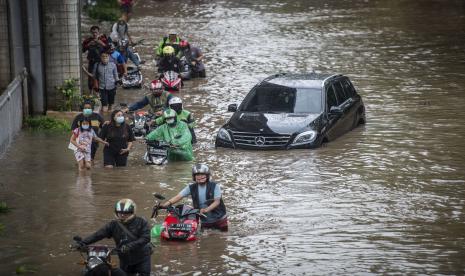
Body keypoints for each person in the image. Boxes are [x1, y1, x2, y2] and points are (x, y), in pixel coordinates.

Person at [80, 199, 151, 276]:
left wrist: (129, 246)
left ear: (132, 212)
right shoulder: (113, 224)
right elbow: (98, 234)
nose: (122, 215)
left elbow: (146, 238)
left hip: (142, 257)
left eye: (126, 213)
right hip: (125, 259)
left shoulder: (142, 222)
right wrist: (83, 242)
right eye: (120, 212)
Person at [161, 164, 228, 231]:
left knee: (223, 236)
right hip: (205, 220)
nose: (200, 177)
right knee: (204, 239)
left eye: (202, 174)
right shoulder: (191, 187)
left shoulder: (215, 186)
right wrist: (164, 205)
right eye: (197, 175)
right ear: (194, 176)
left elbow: (217, 202)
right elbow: (178, 196)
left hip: (220, 218)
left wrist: (206, 210)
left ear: (207, 175)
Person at [82, 26, 109, 91]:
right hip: (92, 61)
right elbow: (82, 50)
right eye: (93, 32)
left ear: (98, 32)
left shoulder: (104, 39)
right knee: (91, 78)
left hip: (101, 62)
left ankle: (102, 91)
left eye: (96, 32)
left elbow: (109, 49)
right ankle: (91, 92)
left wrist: (102, 43)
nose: (94, 34)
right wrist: (89, 44)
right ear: (91, 33)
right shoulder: (88, 40)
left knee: (102, 77)